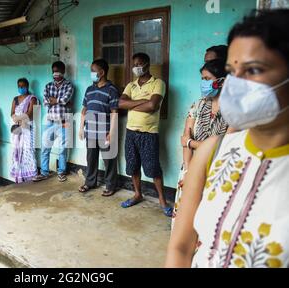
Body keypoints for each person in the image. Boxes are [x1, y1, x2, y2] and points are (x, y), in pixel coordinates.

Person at [166, 9, 289, 268]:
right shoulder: (215, 150)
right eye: (233, 71)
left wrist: (189, 141)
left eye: (254, 69)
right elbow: (180, 247)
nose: (237, 84)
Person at [172, 59, 234, 226]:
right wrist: (189, 171)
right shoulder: (198, 105)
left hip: (217, 172)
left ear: (221, 81)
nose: (203, 83)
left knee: (208, 222)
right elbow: (185, 137)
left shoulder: (234, 110)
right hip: (190, 167)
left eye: (207, 79)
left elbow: (224, 146)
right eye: (202, 79)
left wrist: (192, 143)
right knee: (185, 220)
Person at [118, 52, 171, 216]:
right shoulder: (131, 85)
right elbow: (120, 103)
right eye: (134, 64)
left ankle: (162, 200)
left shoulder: (158, 83)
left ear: (147, 64)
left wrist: (131, 105)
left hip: (148, 133)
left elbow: (153, 106)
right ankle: (137, 194)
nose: (136, 67)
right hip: (131, 133)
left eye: (139, 64)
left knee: (153, 168)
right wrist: (143, 102)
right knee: (133, 166)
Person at [78, 59, 119, 196]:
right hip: (90, 131)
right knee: (91, 159)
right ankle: (90, 182)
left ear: (101, 72)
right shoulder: (89, 89)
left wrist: (111, 133)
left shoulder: (112, 90)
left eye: (93, 71)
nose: (91, 73)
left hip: (105, 132)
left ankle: (110, 186)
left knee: (109, 160)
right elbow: (84, 110)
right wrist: (81, 128)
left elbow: (114, 113)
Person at [33, 61, 74, 183]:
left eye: (58, 71)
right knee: (45, 147)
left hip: (64, 121)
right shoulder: (48, 86)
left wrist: (55, 100)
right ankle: (44, 172)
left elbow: (66, 99)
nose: (55, 73)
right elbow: (46, 101)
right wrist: (60, 101)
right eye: (53, 71)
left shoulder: (69, 85)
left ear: (63, 71)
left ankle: (61, 172)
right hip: (50, 121)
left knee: (63, 148)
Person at [10, 78, 38, 183]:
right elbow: (12, 112)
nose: (21, 88)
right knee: (17, 150)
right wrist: (15, 118)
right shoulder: (15, 99)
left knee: (28, 150)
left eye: (23, 86)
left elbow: (30, 114)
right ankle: (19, 177)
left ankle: (30, 176)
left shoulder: (32, 98)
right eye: (19, 86)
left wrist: (19, 118)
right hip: (17, 128)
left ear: (27, 86)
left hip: (27, 128)